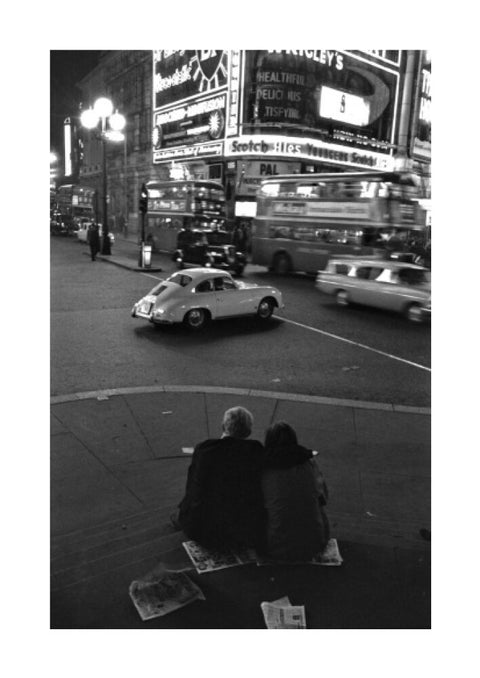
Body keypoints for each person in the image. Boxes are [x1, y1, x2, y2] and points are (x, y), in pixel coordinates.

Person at [176, 406, 265, 550]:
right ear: (248, 431)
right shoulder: (255, 450)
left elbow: (193, 487)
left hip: (202, 528)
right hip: (243, 530)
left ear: (223, 426)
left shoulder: (205, 449)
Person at [261, 422, 330, 562]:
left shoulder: (264, 467)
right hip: (314, 543)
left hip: (276, 546)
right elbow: (323, 497)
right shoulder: (309, 462)